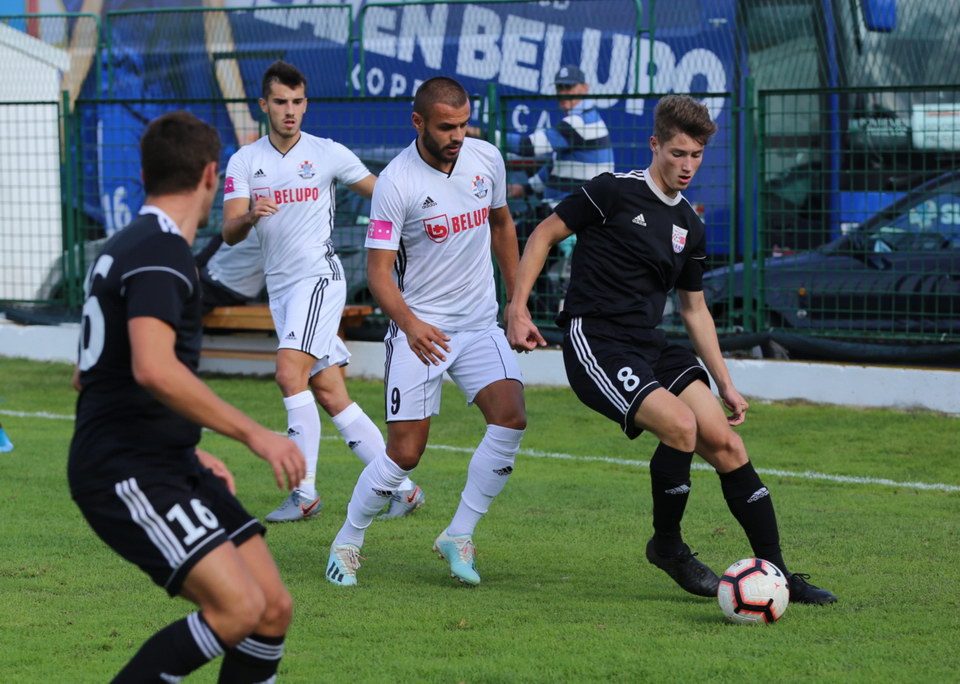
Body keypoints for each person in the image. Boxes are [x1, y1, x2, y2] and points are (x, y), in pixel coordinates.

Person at [506, 95, 837, 605]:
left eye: (697, 155)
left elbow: (694, 309)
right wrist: (519, 308)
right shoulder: (611, 191)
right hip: (596, 339)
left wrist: (724, 380)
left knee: (727, 445)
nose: (687, 165)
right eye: (678, 153)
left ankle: (779, 574)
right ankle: (668, 547)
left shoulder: (691, 225)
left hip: (651, 344)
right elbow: (544, 235)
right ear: (655, 144)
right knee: (681, 428)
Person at [68, 110, 306, 682]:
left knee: (271, 608)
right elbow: (152, 368)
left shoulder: (126, 244)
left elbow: (93, 375)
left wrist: (187, 447)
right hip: (126, 467)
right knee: (237, 609)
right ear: (208, 175)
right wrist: (255, 433)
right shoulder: (162, 251)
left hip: (165, 458)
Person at [325, 77, 527, 587]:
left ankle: (458, 534)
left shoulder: (487, 159)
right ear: (418, 123)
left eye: (463, 124)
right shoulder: (396, 182)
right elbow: (377, 272)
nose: (458, 135)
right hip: (419, 330)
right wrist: (411, 325)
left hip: (479, 323)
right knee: (406, 453)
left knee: (510, 419)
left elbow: (502, 226)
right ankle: (347, 542)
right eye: (446, 127)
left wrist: (517, 303)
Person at [223, 60, 424, 522]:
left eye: (297, 102)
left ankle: (304, 492)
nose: (289, 111)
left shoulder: (328, 153)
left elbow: (382, 191)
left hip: (318, 279)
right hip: (282, 290)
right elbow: (229, 230)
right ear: (263, 105)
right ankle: (404, 489)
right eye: (280, 102)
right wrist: (251, 215)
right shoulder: (245, 161)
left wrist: (421, 214)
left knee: (288, 374)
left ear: (305, 103)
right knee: (331, 393)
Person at [195, 232, 265, 314]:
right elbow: (222, 236)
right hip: (211, 277)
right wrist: (195, 265)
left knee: (184, 299)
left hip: (223, 285)